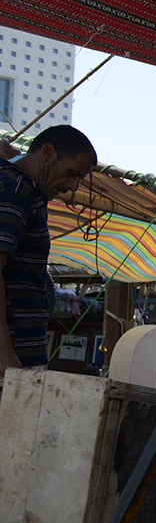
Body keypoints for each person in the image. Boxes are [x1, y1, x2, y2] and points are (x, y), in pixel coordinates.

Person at [1, 126, 97, 380]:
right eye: (72, 174)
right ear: (47, 152)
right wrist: (4, 352)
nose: (73, 186)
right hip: (11, 360)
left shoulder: (26, 191)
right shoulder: (15, 190)